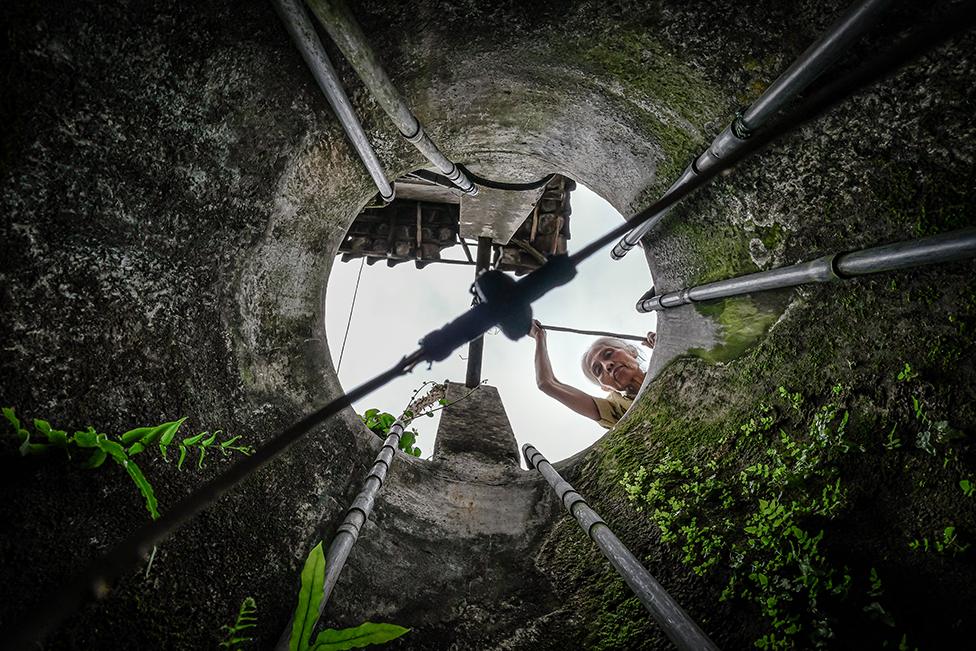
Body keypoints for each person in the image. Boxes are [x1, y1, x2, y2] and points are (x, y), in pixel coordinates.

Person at [529, 319, 656, 429]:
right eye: (598, 370)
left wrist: (667, 341)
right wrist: (539, 337)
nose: (607, 365)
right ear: (605, 387)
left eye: (608, 354)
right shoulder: (613, 407)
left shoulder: (663, 362)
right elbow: (547, 384)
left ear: (632, 352)